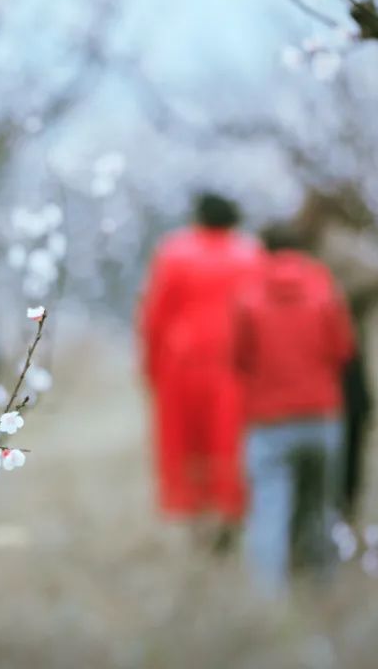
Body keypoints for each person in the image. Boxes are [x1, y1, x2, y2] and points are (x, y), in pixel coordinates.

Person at [233, 223, 355, 594]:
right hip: (321, 418)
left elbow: (239, 358)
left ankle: (269, 601)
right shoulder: (325, 290)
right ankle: (324, 587)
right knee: (321, 506)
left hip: (269, 421)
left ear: (264, 250)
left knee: (270, 509)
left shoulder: (247, 296)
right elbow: (344, 350)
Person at [139, 192, 261, 540]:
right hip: (235, 364)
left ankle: (196, 519)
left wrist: (150, 368)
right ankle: (230, 512)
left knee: (186, 442)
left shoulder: (174, 253)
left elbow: (154, 317)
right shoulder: (250, 254)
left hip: (183, 364)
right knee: (230, 440)